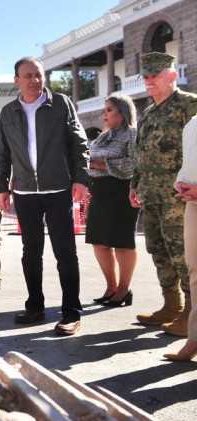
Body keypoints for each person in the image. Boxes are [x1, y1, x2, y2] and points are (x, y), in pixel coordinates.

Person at [0, 57, 89, 336]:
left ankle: (71, 312)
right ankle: (35, 305)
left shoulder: (60, 104)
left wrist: (81, 179)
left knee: (65, 252)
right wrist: (1, 187)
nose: (34, 80)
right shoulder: (8, 112)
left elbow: (78, 143)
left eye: (38, 75)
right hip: (24, 192)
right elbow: (1, 153)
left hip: (58, 189)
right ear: (17, 81)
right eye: (28, 76)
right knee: (30, 252)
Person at [130, 52, 197, 335]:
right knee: (159, 252)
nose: (148, 81)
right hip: (152, 196)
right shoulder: (148, 112)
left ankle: (192, 316)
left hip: (179, 198)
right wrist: (135, 185)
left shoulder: (189, 105)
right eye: (145, 76)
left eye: (154, 75)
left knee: (184, 256)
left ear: (171, 76)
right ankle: (171, 305)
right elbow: (142, 153)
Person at [85, 93, 140, 307]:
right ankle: (111, 286)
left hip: (121, 192)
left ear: (123, 112)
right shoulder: (102, 136)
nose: (103, 114)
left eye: (109, 110)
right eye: (104, 109)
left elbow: (135, 164)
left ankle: (124, 290)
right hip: (99, 192)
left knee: (121, 242)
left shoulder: (132, 134)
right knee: (99, 242)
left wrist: (101, 164)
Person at [165, 112, 197, 361]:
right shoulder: (193, 123)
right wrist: (181, 182)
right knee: (195, 270)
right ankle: (195, 339)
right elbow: (189, 163)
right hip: (193, 203)